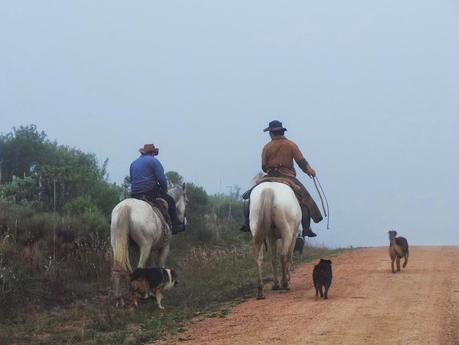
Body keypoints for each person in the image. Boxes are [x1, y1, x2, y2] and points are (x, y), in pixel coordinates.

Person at [240, 120, 323, 237]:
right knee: (305, 198)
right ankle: (306, 228)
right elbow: (301, 162)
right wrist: (310, 171)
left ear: (271, 133)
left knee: (248, 197)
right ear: (281, 132)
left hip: (269, 176)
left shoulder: (266, 147)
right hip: (288, 176)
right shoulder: (291, 145)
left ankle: (247, 223)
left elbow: (264, 167)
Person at [130, 144, 181, 232]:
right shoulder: (154, 161)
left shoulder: (133, 163)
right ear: (153, 153)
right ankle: (175, 227)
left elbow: (132, 179)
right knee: (171, 201)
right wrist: (164, 191)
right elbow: (161, 179)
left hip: (135, 194)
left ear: (143, 153)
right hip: (150, 192)